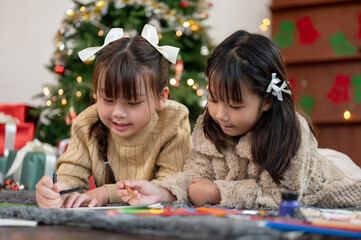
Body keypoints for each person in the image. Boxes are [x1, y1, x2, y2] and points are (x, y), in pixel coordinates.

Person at [116, 29, 361, 209]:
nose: (221, 114)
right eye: (213, 99)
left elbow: (280, 197)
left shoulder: (291, 130)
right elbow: (194, 177)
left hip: (331, 181)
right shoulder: (210, 125)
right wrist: (160, 191)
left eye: (235, 105)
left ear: (266, 100)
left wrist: (218, 192)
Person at [35, 24, 191, 208]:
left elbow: (171, 186)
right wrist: (56, 191)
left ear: (160, 98)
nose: (118, 113)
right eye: (108, 100)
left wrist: (106, 193)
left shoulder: (173, 120)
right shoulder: (87, 123)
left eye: (133, 103)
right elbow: (70, 176)